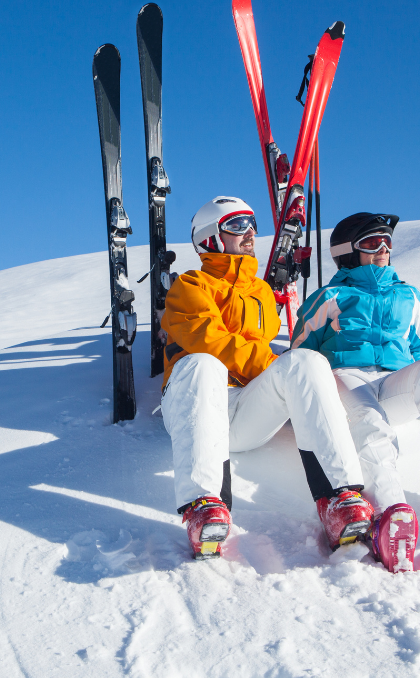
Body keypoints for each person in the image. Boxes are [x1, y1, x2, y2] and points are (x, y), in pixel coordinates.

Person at [160, 196, 375, 560]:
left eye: (252, 224)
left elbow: (271, 358)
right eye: (237, 225)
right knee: (204, 363)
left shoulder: (260, 292)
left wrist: (291, 380)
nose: (250, 233)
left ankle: (340, 499)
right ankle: (204, 505)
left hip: (244, 412)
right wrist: (272, 367)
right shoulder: (190, 286)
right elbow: (213, 343)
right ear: (211, 237)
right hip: (195, 406)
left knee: (304, 361)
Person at [291, 212, 420, 573]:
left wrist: (418, 377)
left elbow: (419, 350)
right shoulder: (330, 295)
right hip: (345, 376)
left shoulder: (410, 296)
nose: (384, 249)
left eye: (387, 243)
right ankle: (389, 514)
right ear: (347, 252)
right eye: (372, 243)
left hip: (393, 380)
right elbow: (300, 353)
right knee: (369, 419)